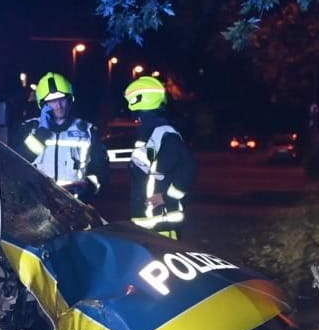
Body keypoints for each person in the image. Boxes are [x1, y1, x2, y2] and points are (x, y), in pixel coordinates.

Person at [122, 75, 194, 238]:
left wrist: (167, 197)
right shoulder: (150, 133)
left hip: (163, 222)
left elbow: (188, 167)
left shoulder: (164, 134)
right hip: (147, 220)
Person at [22, 73, 106, 201]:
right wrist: (42, 131)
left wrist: (88, 187)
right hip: (39, 205)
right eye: (52, 101)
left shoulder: (87, 131)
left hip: (76, 206)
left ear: (70, 99)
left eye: (62, 99)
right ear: (43, 104)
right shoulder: (28, 129)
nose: (59, 106)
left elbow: (101, 172)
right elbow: (20, 161)